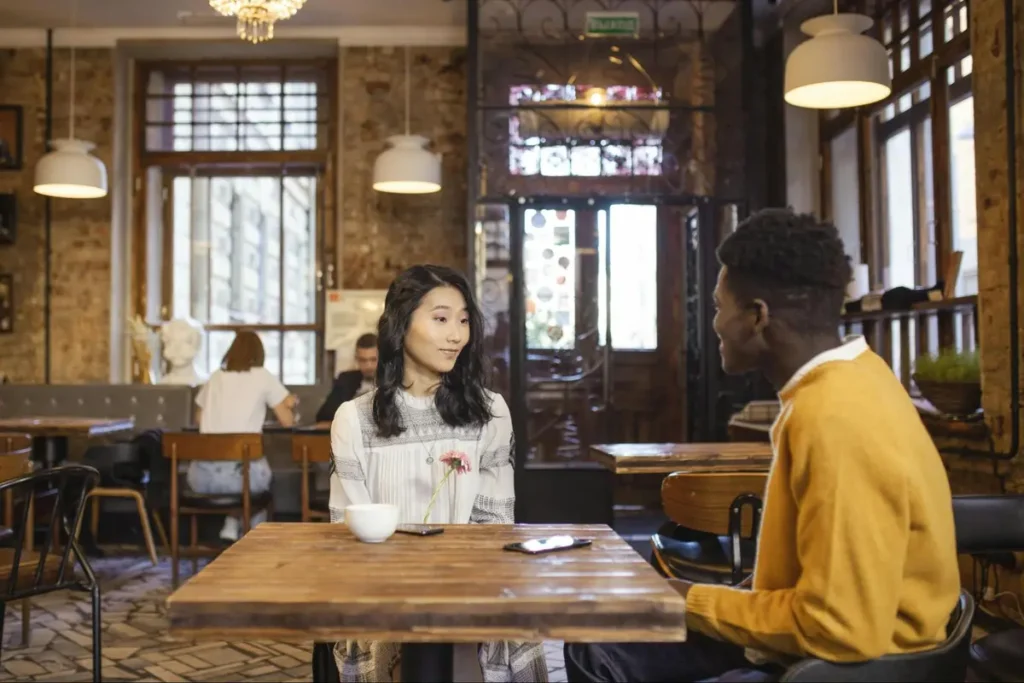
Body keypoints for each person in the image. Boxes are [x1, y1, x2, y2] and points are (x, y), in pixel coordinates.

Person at [565, 208, 960, 682]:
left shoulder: (835, 418)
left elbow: (841, 629)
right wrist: (687, 595)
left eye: (718, 306)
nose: (714, 324)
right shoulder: (855, 378)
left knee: (601, 654)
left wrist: (687, 598)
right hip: (824, 651)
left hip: (855, 669)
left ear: (757, 317)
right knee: (598, 638)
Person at [329, 264, 547, 682]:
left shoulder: (490, 412)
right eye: (441, 318)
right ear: (401, 322)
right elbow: (349, 531)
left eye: (464, 321)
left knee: (506, 629)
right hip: (382, 590)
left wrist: (456, 587)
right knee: (397, 639)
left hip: (471, 584)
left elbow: (495, 524)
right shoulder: (354, 419)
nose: (456, 335)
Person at [189, 330, 298, 543]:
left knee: (244, 473)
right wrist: (290, 404)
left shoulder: (215, 377)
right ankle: (255, 539)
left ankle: (232, 524)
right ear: (259, 354)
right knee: (260, 480)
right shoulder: (263, 376)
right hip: (242, 479)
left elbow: (199, 420)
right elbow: (288, 422)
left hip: (201, 478)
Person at [315, 333, 378, 422]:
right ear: (356, 358)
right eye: (362, 360)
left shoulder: (393, 381)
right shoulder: (346, 379)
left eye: (373, 359)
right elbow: (324, 415)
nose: (368, 366)